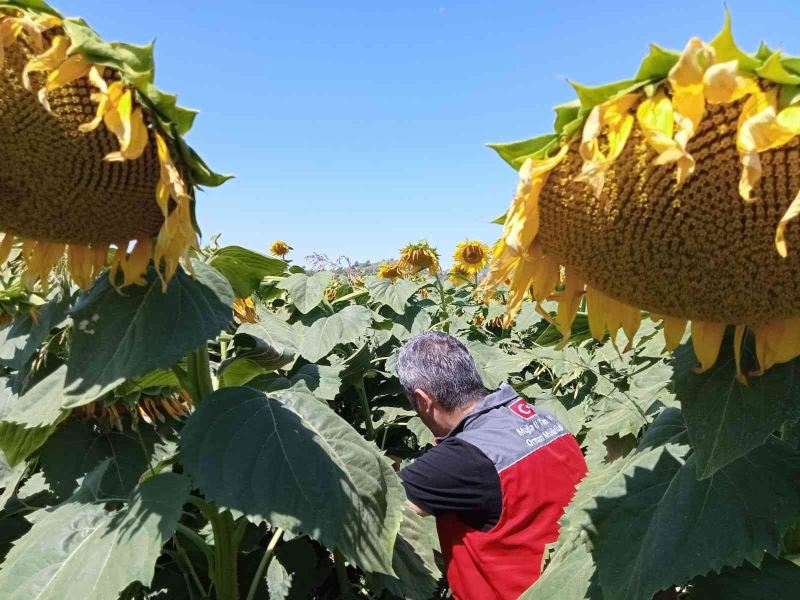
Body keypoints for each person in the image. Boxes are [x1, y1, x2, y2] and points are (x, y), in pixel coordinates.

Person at [396, 332, 587, 599]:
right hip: (574, 585)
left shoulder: (465, 458)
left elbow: (379, 503)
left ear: (423, 400)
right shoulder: (540, 418)